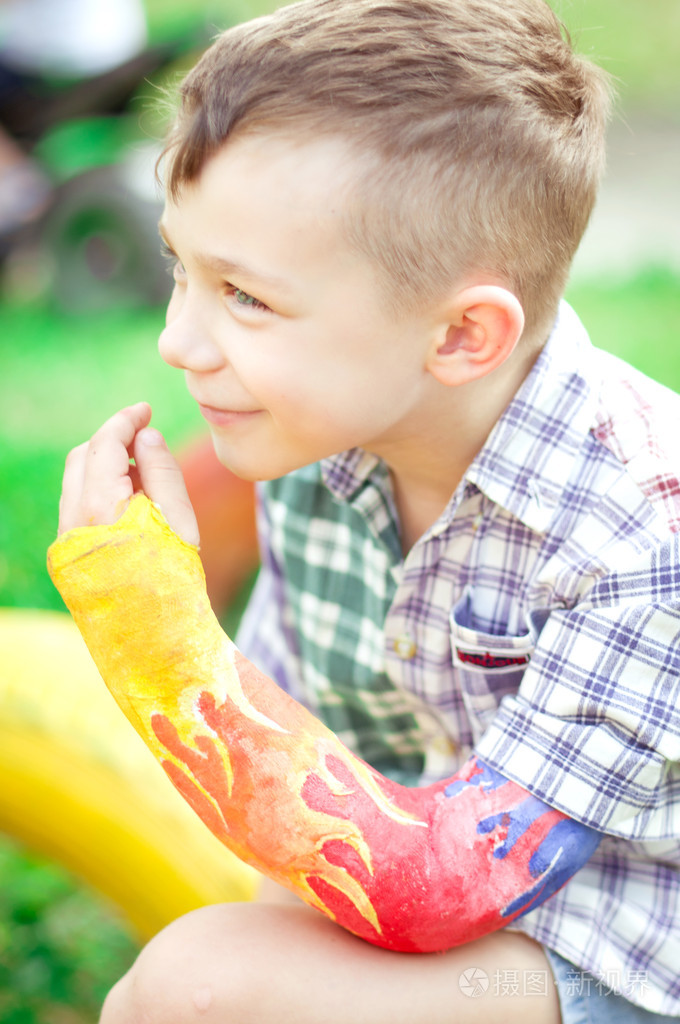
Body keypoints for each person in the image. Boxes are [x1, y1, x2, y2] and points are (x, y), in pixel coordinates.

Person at [48, 0, 680, 1021]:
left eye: (244, 296)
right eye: (181, 268)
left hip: (624, 954)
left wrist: (148, 626)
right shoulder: (320, 453)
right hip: (477, 923)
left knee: (198, 989)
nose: (179, 340)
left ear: (462, 336)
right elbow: (322, 764)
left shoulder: (641, 534)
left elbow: (443, 887)